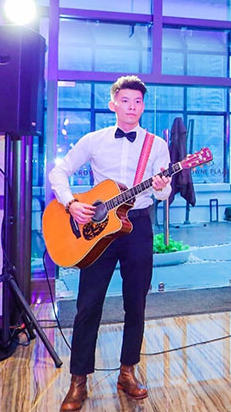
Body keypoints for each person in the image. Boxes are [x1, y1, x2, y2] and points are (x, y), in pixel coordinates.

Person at [49, 76, 172, 411]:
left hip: (137, 227)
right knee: (88, 305)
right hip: (97, 233)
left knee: (136, 304)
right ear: (113, 104)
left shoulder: (156, 145)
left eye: (138, 102)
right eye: (126, 100)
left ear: (143, 107)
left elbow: (164, 193)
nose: (132, 107)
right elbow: (59, 172)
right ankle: (78, 380)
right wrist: (71, 203)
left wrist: (161, 186)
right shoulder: (94, 140)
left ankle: (127, 372)